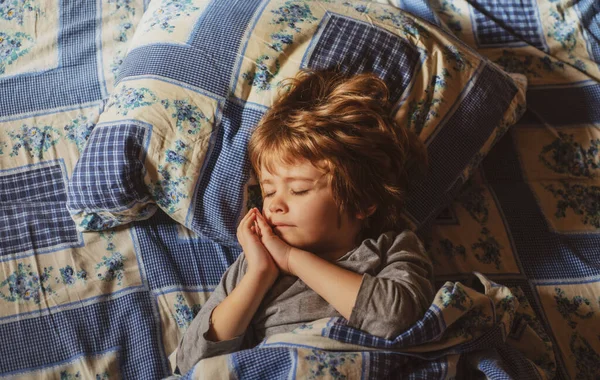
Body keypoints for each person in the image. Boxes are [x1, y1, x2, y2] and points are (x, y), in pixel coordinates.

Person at [175, 69, 435, 375]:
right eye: (268, 191)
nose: (275, 204)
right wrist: (259, 274)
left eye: (298, 190)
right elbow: (190, 360)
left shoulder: (390, 248)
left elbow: (395, 318)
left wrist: (294, 260)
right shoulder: (255, 264)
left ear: (362, 202)